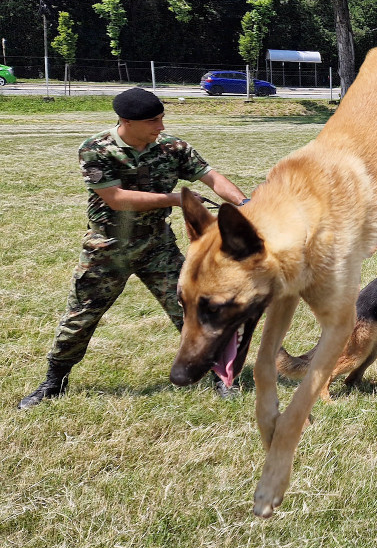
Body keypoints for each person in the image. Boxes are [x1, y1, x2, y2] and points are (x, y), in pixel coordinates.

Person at [18, 88, 250, 410]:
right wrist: (175, 199)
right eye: (153, 120)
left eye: (161, 117)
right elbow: (116, 198)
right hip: (108, 248)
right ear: (126, 121)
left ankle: (222, 376)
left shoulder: (172, 147)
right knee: (81, 317)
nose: (160, 124)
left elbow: (212, 177)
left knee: (195, 311)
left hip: (157, 245)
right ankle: (54, 382)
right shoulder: (96, 149)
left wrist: (245, 204)